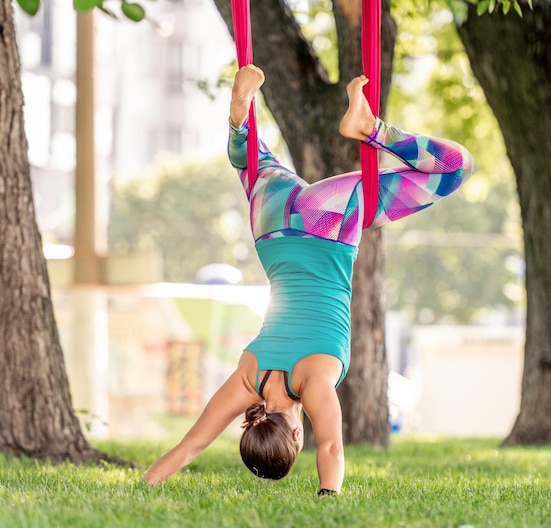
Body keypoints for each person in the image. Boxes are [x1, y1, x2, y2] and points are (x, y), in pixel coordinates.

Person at [142, 65, 474, 495]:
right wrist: (143, 484)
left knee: (455, 169)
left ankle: (371, 128)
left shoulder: (315, 381)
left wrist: (328, 496)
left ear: (296, 437)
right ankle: (239, 124)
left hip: (325, 223)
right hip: (272, 221)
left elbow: (333, 447)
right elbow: (191, 446)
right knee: (253, 166)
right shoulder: (248, 377)